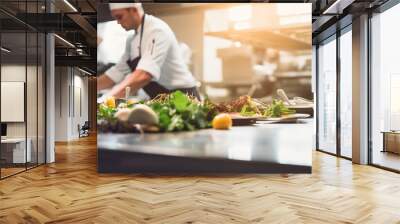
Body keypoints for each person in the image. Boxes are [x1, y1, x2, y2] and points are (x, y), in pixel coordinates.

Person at [97, 3, 200, 100]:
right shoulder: (131, 40)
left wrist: (105, 99)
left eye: (119, 16)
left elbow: (144, 75)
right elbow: (117, 72)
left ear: (134, 10)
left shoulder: (156, 30)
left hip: (183, 97)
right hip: (161, 99)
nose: (118, 22)